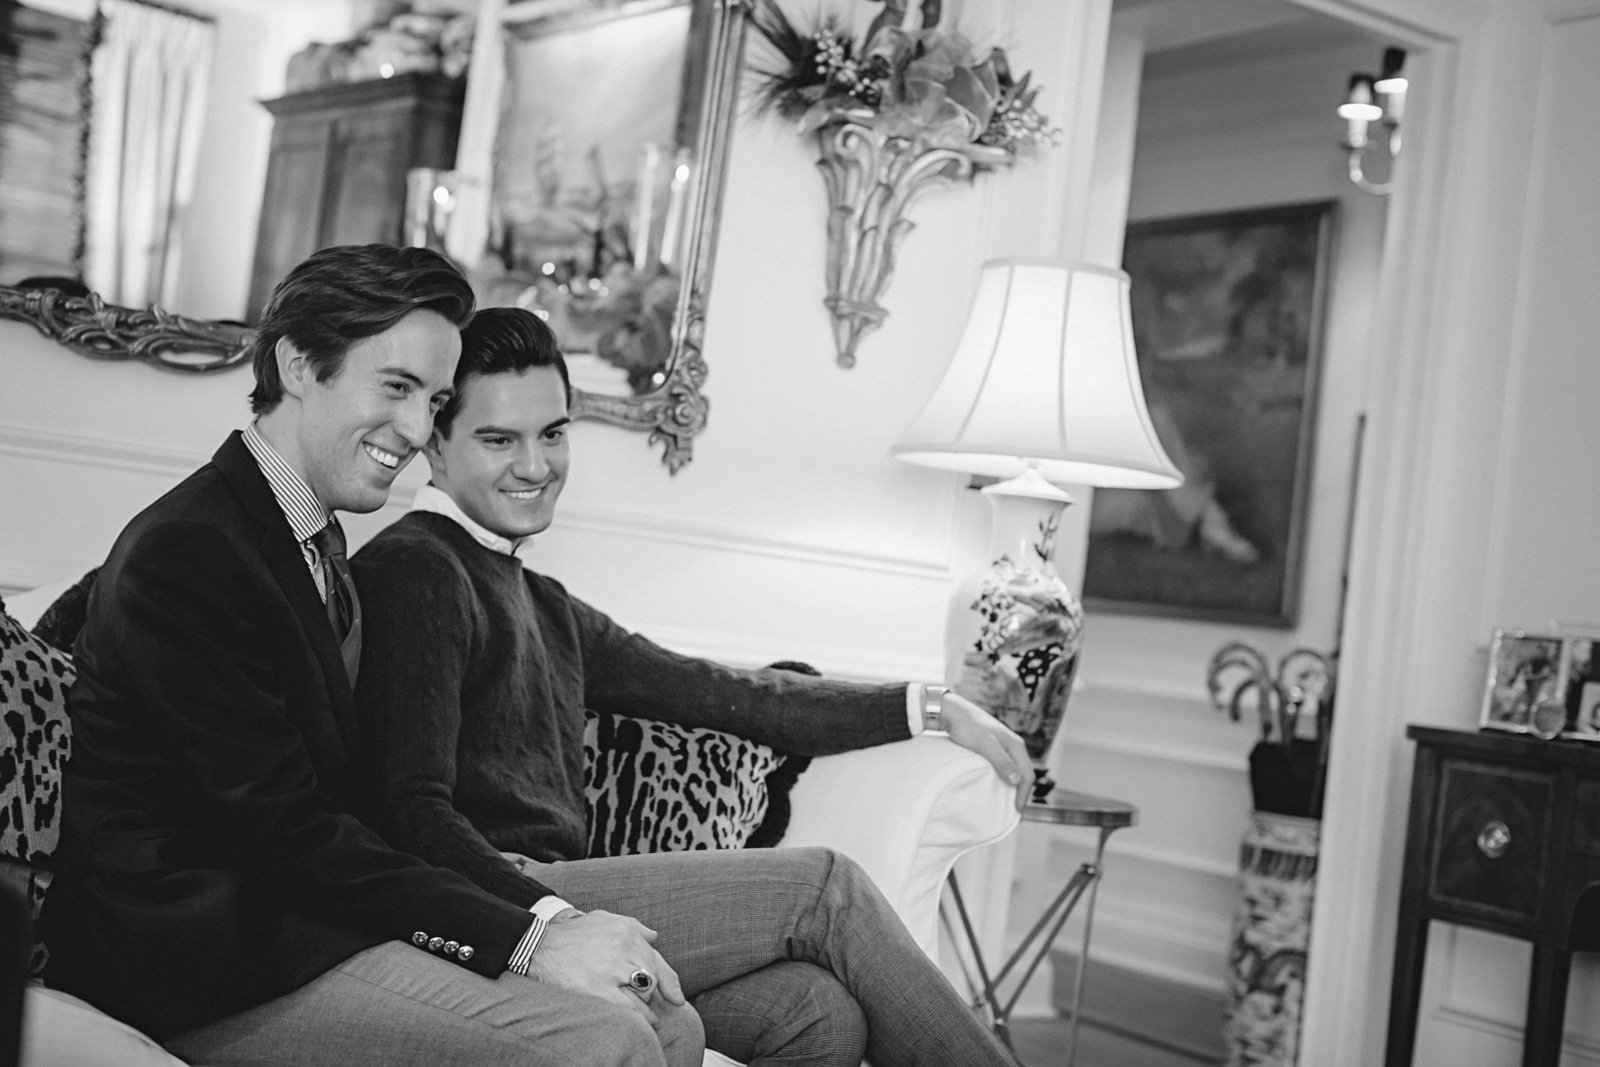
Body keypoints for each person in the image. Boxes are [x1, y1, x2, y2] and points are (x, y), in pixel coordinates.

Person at [39, 245, 701, 1067]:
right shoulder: (190, 551)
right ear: (297, 364)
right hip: (198, 964)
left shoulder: (318, 543)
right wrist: (532, 939)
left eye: (434, 400)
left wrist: (543, 921)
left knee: (670, 1020)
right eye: (396, 388)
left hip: (306, 922)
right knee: (603, 1039)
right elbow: (284, 833)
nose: (418, 430)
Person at [349, 306, 1030, 1067]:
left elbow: (719, 692)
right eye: (499, 439)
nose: (536, 466)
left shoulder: (538, 599)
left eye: (553, 433)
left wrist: (928, 706)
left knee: (816, 1011)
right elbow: (409, 812)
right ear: (435, 443)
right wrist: (546, 923)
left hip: (562, 895)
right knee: (826, 885)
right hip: (504, 908)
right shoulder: (415, 571)